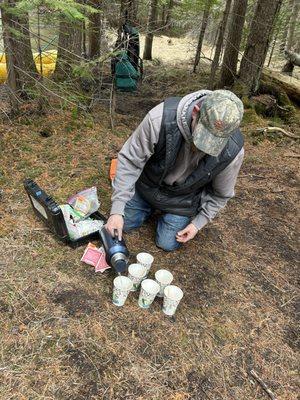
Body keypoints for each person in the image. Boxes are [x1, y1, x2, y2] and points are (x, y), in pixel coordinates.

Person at [106, 89, 244, 251]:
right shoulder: (159, 119)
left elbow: (221, 194)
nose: (204, 148)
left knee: (167, 244)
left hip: (183, 199)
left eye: (214, 142)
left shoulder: (232, 151)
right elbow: (130, 161)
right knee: (123, 224)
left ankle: (165, 214)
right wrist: (117, 209)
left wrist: (198, 223)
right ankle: (145, 206)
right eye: (204, 135)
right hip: (148, 186)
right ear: (195, 112)